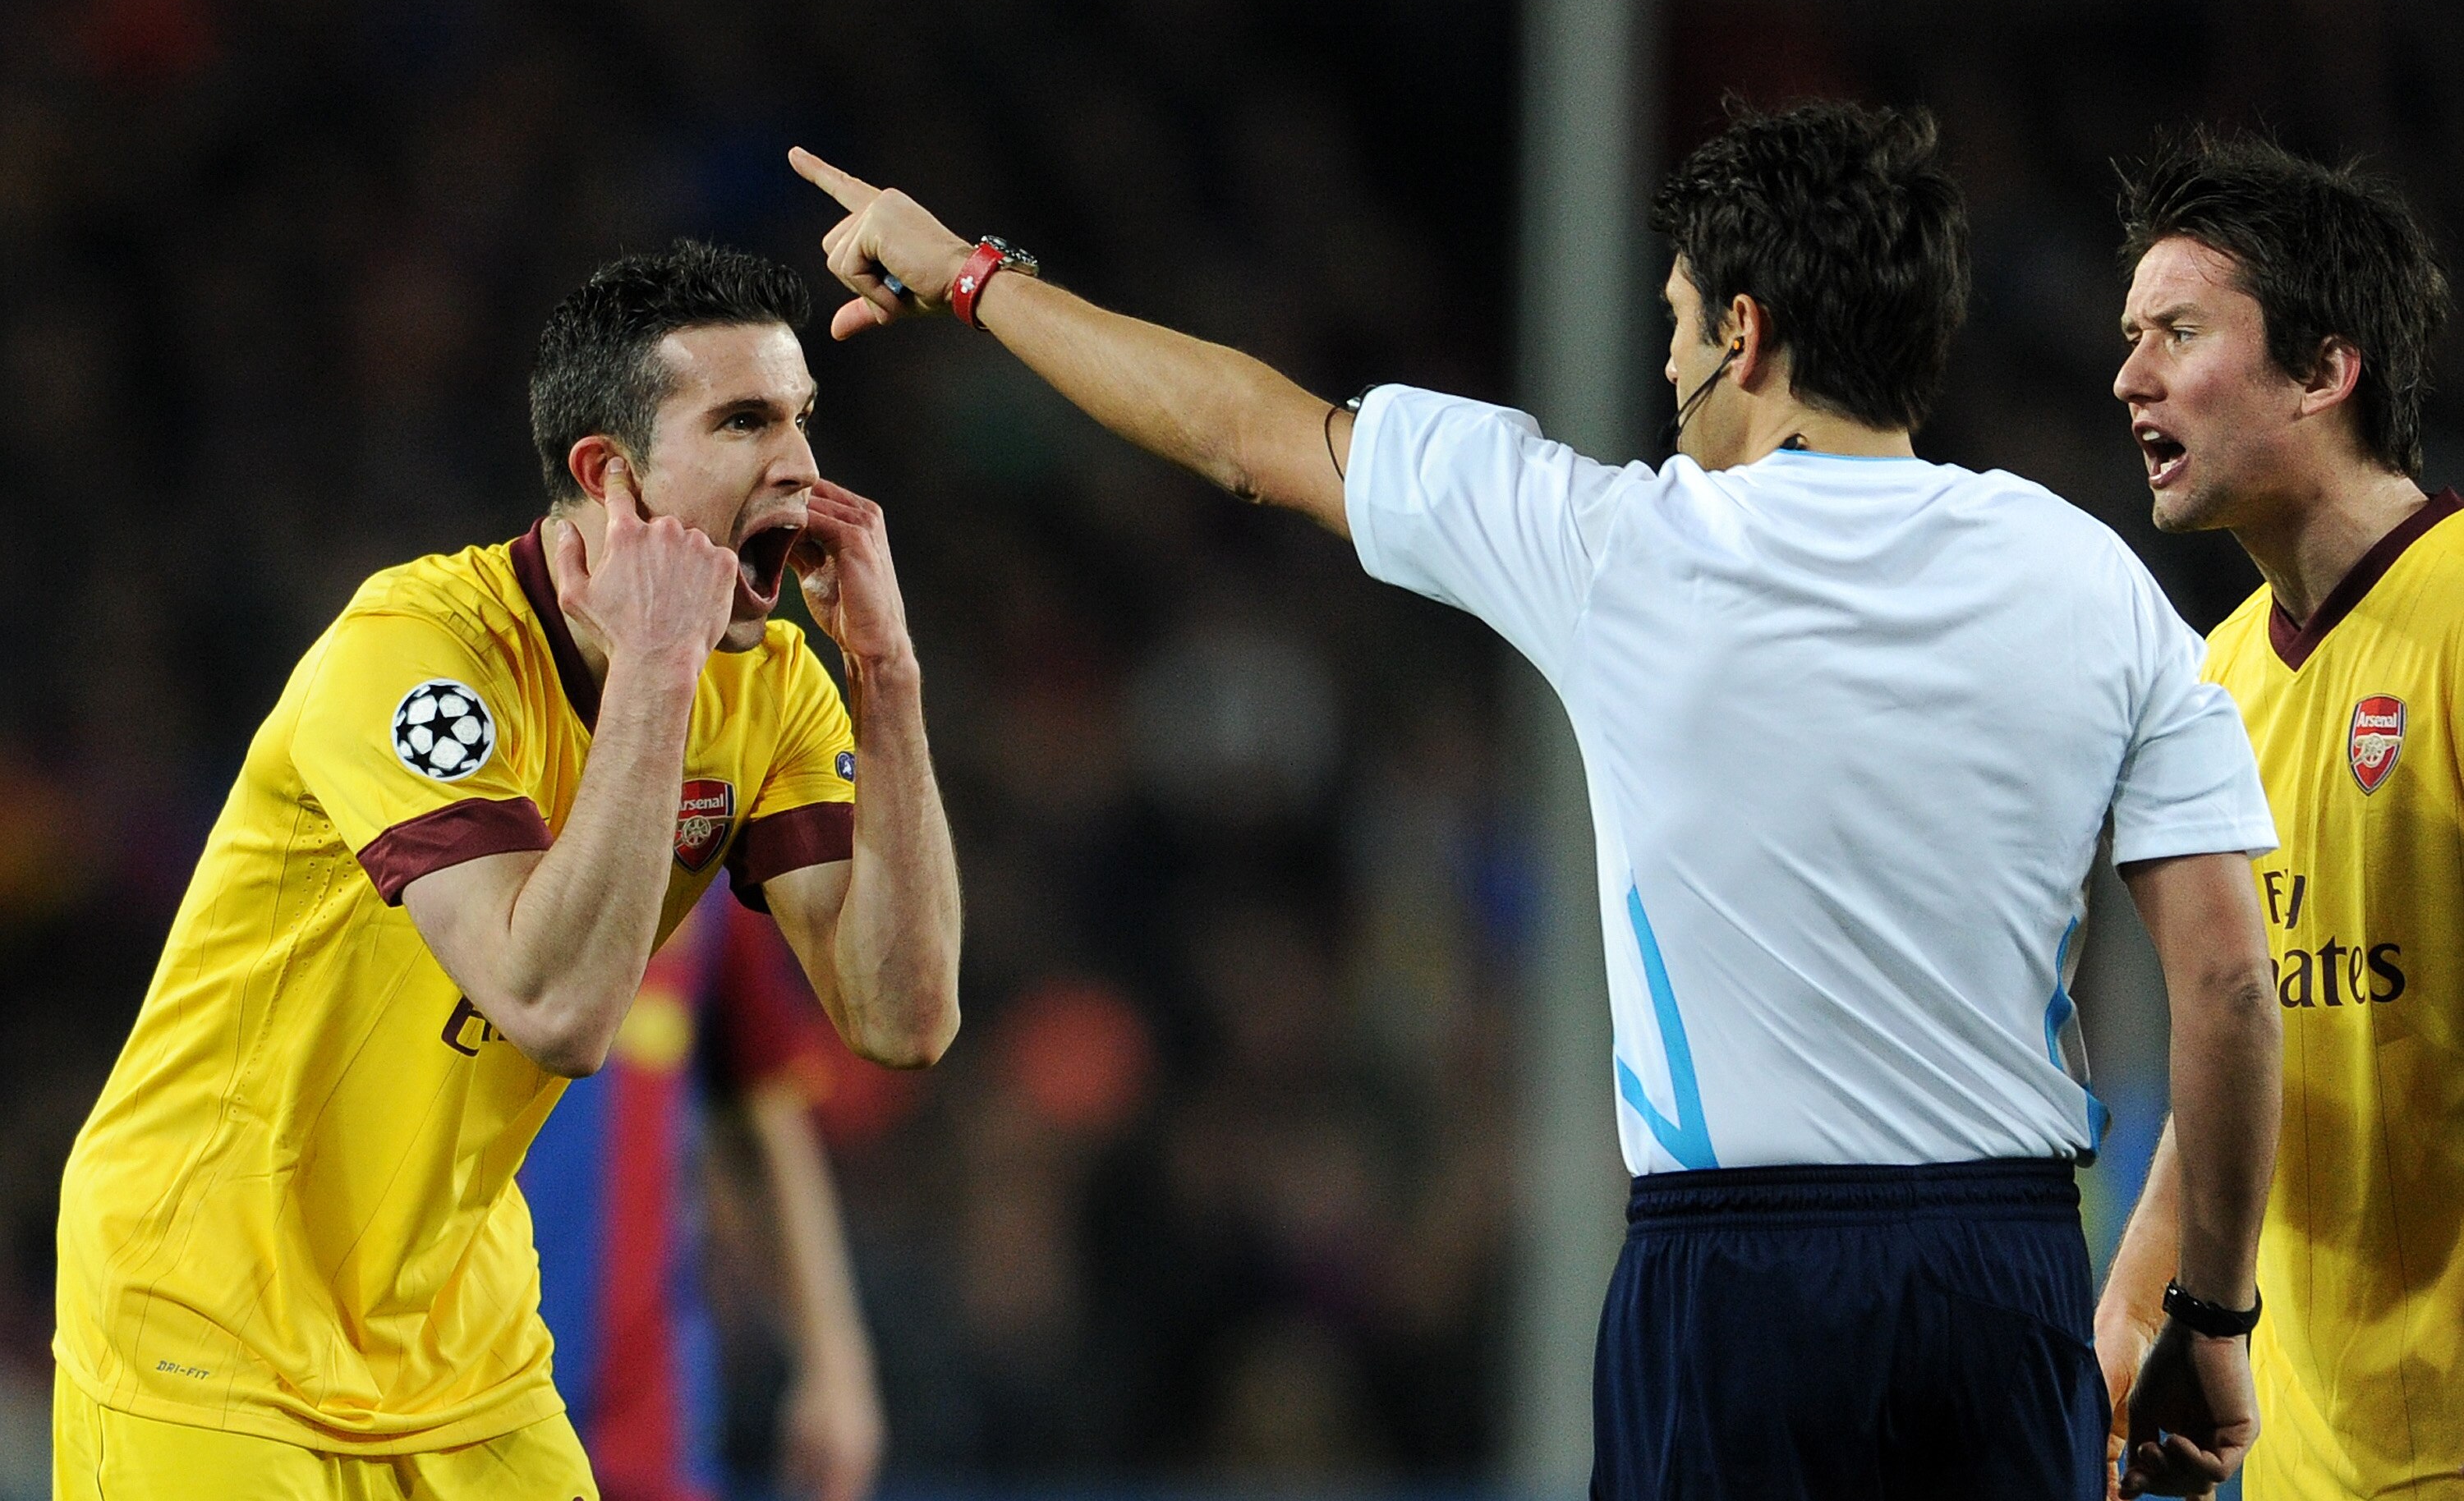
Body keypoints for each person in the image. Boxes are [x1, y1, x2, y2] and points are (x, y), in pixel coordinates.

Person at [787, 100, 2282, 1499]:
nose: (1664, 363)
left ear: (1742, 334)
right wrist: (2206, 1313)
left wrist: (969, 276)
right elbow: (2224, 979)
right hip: (2001, 1269)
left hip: (1735, 1286)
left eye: (1675, 324)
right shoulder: (2094, 580)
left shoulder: (1615, 548)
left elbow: (1242, 431)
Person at [51, 240, 962, 1499]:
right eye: (745, 421)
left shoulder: (772, 689)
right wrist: (657, 671)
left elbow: (905, 1017)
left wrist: (888, 681)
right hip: (208, 1312)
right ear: (610, 473)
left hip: (455, 1332)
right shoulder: (412, 654)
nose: (803, 470)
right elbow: (556, 1010)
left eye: (804, 418)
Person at [2099, 131, 2462, 1500]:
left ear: (2324, 369)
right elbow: (2248, 1031)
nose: (2130, 376)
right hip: (2306, 1466)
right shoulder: (2219, 680)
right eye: (2130, 337)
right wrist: (2143, 1298)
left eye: (2178, 331)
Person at [522, 876, 885, 1501]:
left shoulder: (700, 863)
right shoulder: (450, 826)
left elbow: (763, 1120)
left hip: (645, 1426)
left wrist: (835, 1363)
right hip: (453, 1407)